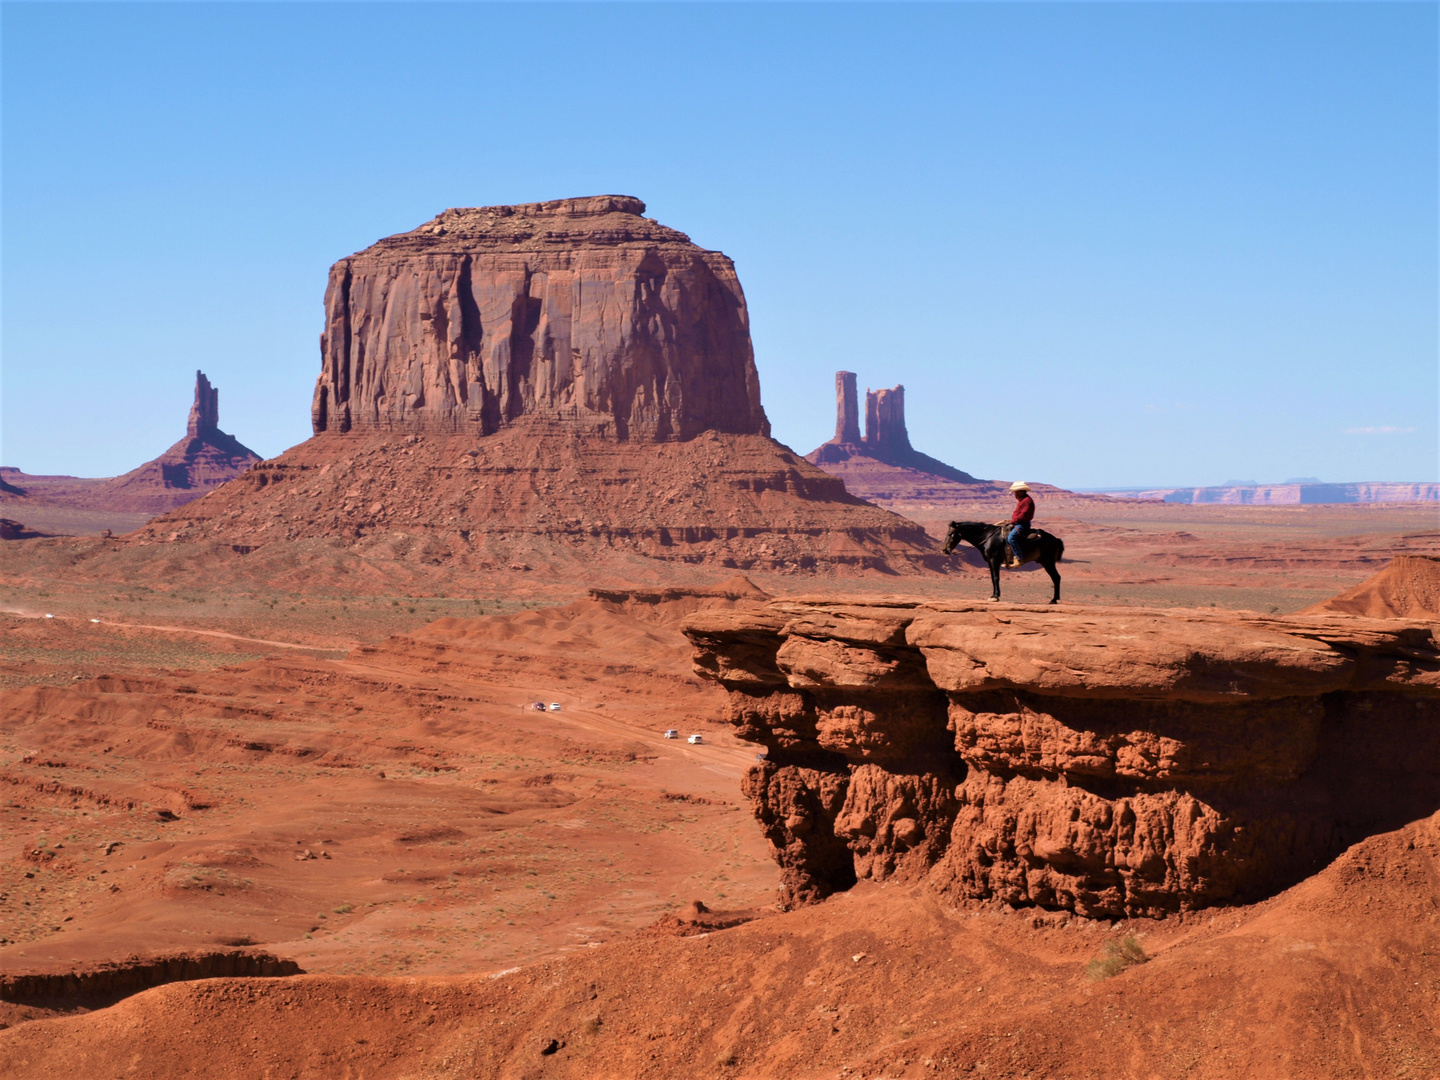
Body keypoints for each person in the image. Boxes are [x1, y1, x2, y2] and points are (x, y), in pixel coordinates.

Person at [1007, 482, 1034, 565]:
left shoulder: (1026, 501)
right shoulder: (1022, 500)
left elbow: (1023, 515)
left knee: (1011, 537)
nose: (1015, 494)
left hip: (1022, 524)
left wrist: (1013, 521)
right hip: (1018, 522)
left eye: (1016, 492)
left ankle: (1019, 558)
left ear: (1021, 491)